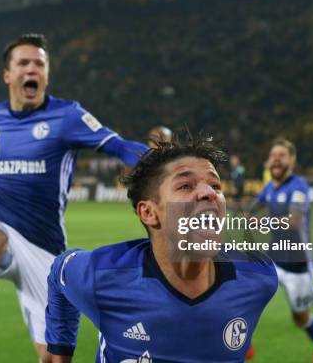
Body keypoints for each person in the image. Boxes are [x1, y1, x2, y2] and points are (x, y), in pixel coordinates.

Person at [0, 34, 148, 363]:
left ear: (46, 75)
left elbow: (120, 146)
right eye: (23, 63)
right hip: (1, 222)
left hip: (45, 245)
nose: (32, 68)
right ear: (8, 75)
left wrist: (157, 161)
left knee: (53, 358)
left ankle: (6, 265)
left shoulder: (68, 116)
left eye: (39, 63)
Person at [45, 134, 278, 362]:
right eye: (186, 186)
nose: (209, 193)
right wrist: (60, 351)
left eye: (215, 185)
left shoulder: (257, 275)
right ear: (149, 213)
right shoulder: (103, 275)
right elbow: (59, 270)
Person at [246, 138, 313, 362]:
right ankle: (243, 345)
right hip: (274, 259)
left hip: (298, 264)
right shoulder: (269, 187)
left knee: (300, 319)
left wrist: (262, 223)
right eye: (273, 154)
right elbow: (251, 210)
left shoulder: (298, 186)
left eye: (281, 155)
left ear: (292, 161)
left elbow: (293, 222)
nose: (276, 157)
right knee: (246, 294)